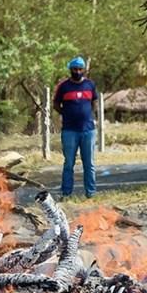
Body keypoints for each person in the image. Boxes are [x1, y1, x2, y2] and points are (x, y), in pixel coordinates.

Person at [53, 56, 97, 199]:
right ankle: (66, 193)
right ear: (70, 70)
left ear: (83, 70)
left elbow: (94, 102)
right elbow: (56, 104)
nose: (77, 72)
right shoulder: (64, 86)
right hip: (69, 131)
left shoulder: (90, 85)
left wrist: (89, 115)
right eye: (74, 69)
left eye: (79, 69)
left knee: (89, 163)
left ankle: (90, 192)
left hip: (88, 130)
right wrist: (66, 113)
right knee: (69, 163)